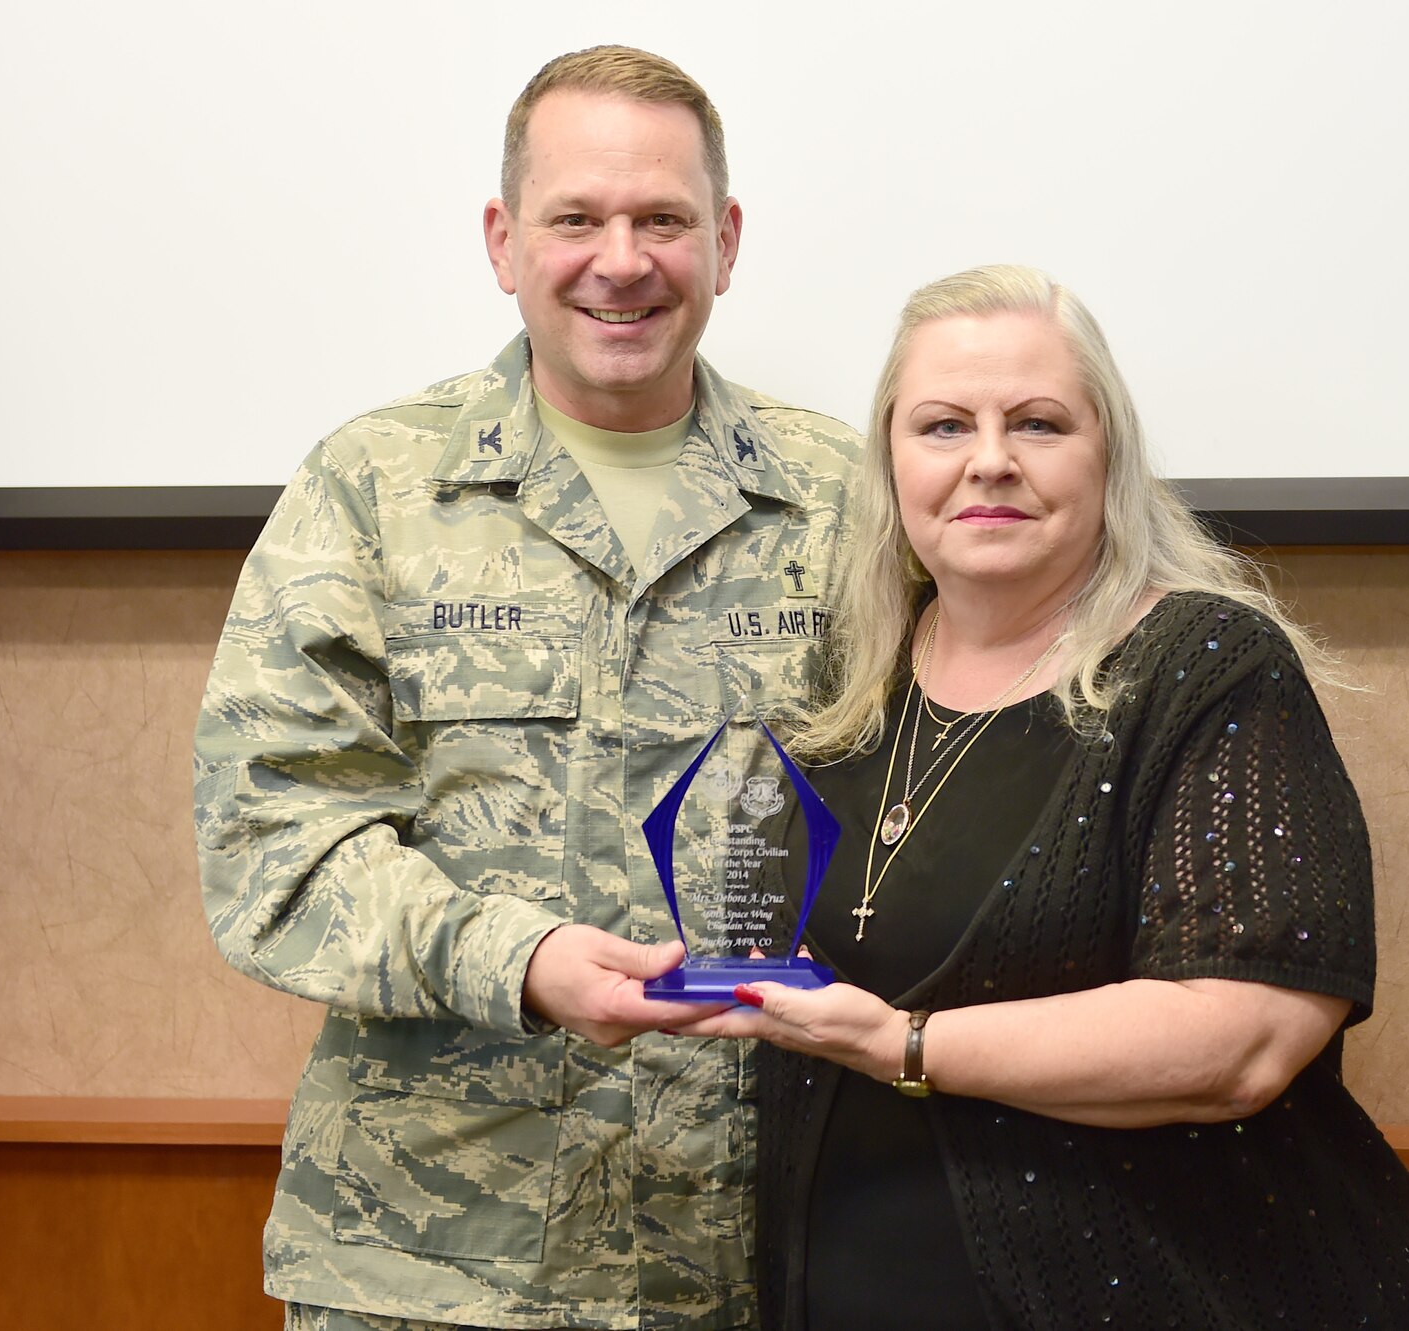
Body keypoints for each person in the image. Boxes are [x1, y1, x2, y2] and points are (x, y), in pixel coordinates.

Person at [193, 46, 860, 1331]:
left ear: (723, 240)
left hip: (761, 1260)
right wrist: (526, 955)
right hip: (432, 1263)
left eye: (662, 218)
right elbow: (271, 842)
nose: (622, 259)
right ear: (504, 241)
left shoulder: (846, 498)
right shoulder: (372, 488)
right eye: (576, 219)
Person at [676, 265, 1409, 1329]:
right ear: (888, 461)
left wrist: (902, 1042)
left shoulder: (1207, 666)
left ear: (1106, 457)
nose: (988, 460)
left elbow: (1239, 1042)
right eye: (942, 425)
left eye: (1036, 423)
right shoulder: (842, 687)